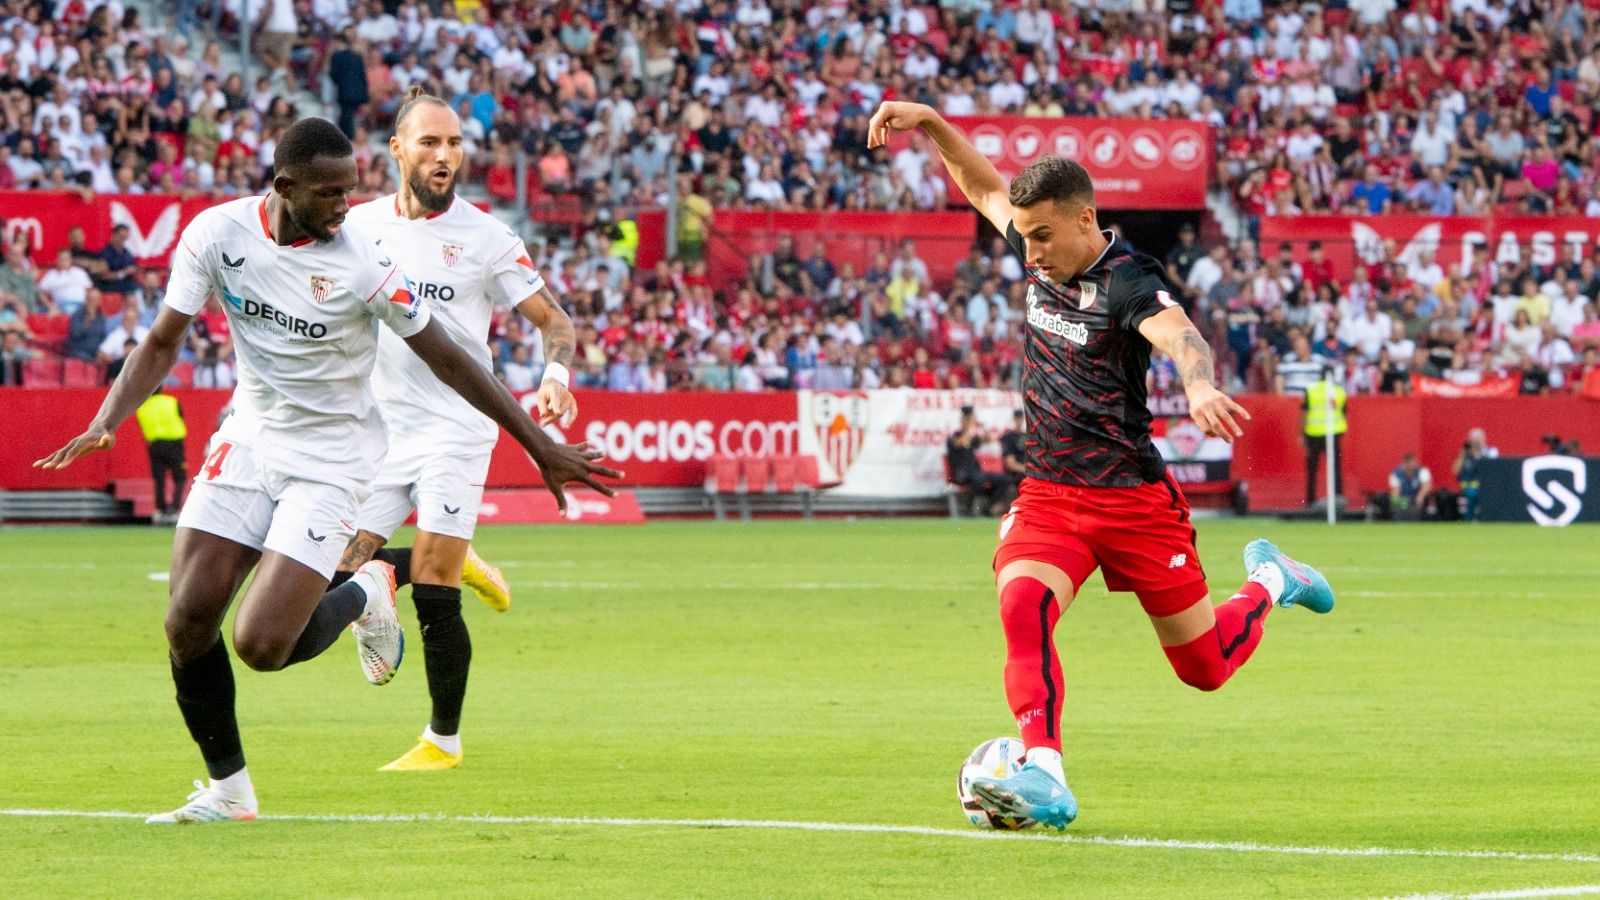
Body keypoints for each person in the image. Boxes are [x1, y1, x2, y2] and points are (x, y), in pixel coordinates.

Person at [33, 118, 620, 825]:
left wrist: (535, 441)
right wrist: (108, 417)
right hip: (248, 440)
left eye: (351, 188)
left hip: (335, 458)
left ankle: (371, 585)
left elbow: (449, 356)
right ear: (285, 187)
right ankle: (229, 791)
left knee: (261, 645)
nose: (347, 204)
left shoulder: (363, 261)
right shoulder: (215, 236)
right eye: (330, 192)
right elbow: (162, 339)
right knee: (187, 623)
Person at [868, 101, 1335, 830]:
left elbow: (1178, 332)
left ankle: (1274, 580)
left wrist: (1199, 380)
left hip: (1133, 502)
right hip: (1051, 494)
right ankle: (1044, 773)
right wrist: (929, 123)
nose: (1030, 254)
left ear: (1086, 220)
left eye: (1043, 236)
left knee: (1204, 668)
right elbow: (984, 187)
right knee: (1022, 606)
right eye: (1024, 238)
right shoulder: (1037, 242)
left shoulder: (1125, 280)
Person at [334, 87, 581, 772]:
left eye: (454, 144)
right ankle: (446, 559)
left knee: (434, 590)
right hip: (379, 433)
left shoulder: (486, 238)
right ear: (396, 150)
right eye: (430, 143)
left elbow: (555, 322)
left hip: (457, 427)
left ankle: (442, 742)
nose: (446, 156)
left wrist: (554, 378)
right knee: (330, 579)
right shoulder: (358, 229)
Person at [135, 385, 188, 523]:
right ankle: (175, 508)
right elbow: (181, 418)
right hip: (175, 443)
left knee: (159, 479)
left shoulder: (142, 407)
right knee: (180, 478)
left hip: (155, 445)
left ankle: (161, 508)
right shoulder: (171, 401)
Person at [945, 404, 1005, 516]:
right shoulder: (954, 436)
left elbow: (989, 439)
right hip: (961, 473)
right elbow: (961, 443)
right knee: (978, 480)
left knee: (1003, 479)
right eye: (966, 419)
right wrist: (969, 426)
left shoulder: (972, 438)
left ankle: (991, 507)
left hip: (975, 472)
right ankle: (968, 508)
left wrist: (982, 426)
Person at [1302, 368, 1347, 508]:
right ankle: (1338, 499)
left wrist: (1301, 434)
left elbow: (1304, 413)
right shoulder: (1339, 391)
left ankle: (1310, 500)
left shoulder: (1311, 389)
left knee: (1312, 470)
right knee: (1335, 469)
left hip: (1313, 433)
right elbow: (1344, 413)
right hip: (1333, 433)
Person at [1451, 428, 1497, 523]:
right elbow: (1455, 472)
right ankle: (1469, 519)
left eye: (1478, 439)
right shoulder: (1465, 455)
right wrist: (1462, 454)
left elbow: (1493, 467)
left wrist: (1480, 452)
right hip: (1469, 486)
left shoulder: (1490, 451)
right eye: (1473, 440)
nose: (1475, 442)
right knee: (1471, 493)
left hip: (1486, 486)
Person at [1385, 453, 1434, 519]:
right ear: (1404, 464)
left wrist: (1420, 497)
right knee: (1392, 503)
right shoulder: (1396, 474)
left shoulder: (1423, 471)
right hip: (1405, 499)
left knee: (1423, 500)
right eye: (1410, 463)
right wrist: (1397, 502)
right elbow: (1395, 492)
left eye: (1414, 462)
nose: (1413, 465)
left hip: (1418, 499)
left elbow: (1426, 487)